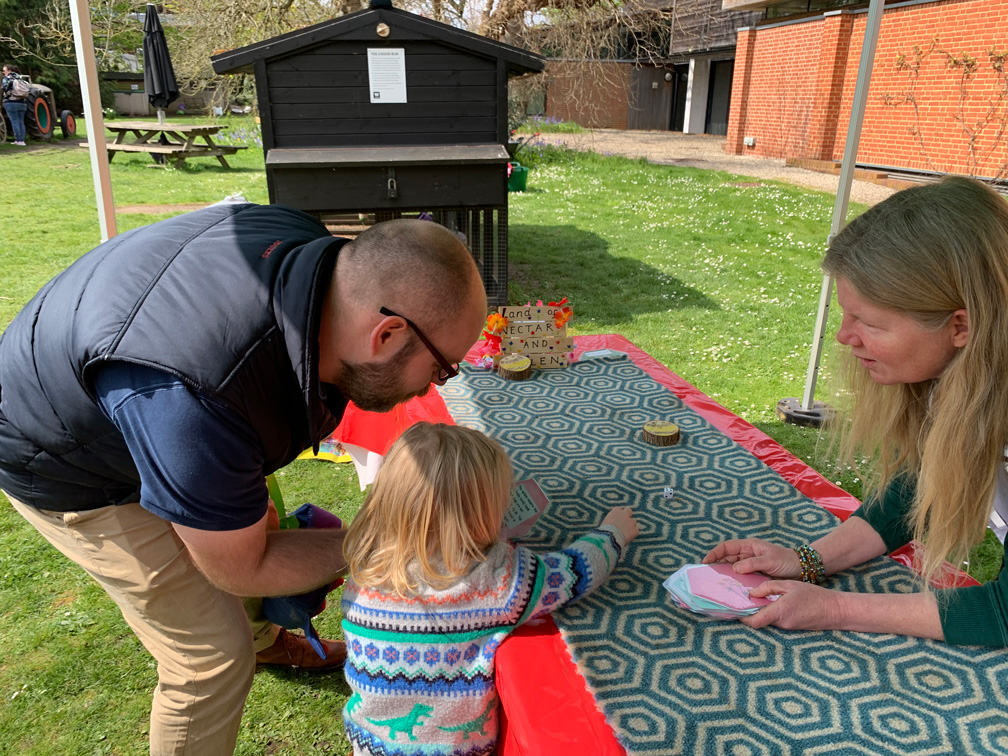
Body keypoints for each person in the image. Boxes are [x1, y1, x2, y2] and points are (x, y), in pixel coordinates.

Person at [0, 202, 489, 755]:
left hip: (144, 393)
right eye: (443, 367)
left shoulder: (312, 257)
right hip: (67, 463)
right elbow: (240, 566)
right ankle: (247, 647)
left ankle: (267, 640)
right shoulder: (201, 402)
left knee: (243, 520)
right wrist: (399, 543)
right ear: (387, 333)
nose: (435, 386)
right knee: (210, 657)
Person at [704, 176, 1008, 647]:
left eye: (868, 322)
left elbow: (1002, 612)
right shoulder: (959, 374)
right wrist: (807, 561)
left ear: (960, 326)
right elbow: (919, 485)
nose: (845, 337)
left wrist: (836, 607)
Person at [340, 422, 639, 755]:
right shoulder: (496, 579)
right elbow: (574, 572)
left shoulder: (366, 567)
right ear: (481, 515)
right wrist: (612, 534)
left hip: (369, 745)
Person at [2, 63, 28, 146]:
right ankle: (22, 140)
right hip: (22, 103)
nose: (3, 72)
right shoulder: (20, 78)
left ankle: (18, 140)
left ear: (9, 71)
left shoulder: (7, 79)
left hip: (11, 102)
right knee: (21, 121)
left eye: (4, 71)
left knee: (15, 122)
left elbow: (5, 88)